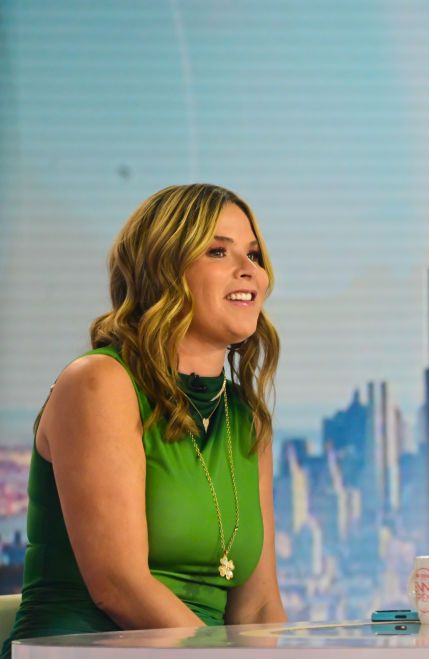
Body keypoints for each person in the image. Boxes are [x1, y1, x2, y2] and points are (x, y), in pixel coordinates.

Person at [2, 184, 287, 657]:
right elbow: (120, 587)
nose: (249, 271)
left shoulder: (245, 416)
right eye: (218, 250)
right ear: (164, 269)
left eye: (254, 255)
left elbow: (258, 608)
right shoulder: (100, 382)